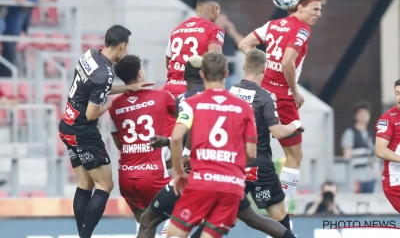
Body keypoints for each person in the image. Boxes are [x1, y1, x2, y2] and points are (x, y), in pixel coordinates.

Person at [138, 54, 295, 238]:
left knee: (170, 232)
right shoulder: (243, 106)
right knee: (253, 220)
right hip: (231, 183)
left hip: (201, 181)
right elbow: (251, 152)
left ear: (203, 75)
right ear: (227, 74)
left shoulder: (191, 104)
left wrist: (179, 172)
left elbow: (175, 138)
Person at [238, 0, 327, 210]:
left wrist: (263, 67)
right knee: (294, 157)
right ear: (300, 6)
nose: (319, 14)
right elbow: (288, 62)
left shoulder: (273, 24)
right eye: (315, 9)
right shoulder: (302, 29)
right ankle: (284, 209)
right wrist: (295, 91)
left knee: (253, 149)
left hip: (260, 94)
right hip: (283, 98)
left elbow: (245, 45)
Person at [58, 25, 151, 238]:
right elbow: (92, 113)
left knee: (86, 183)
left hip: (67, 125)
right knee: (105, 184)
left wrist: (128, 88)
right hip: (84, 131)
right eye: (126, 47)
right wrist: (110, 102)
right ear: (122, 45)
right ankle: (85, 236)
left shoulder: (90, 54)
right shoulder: (106, 73)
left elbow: (93, 88)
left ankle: (83, 235)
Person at [229, 48, 305, 229]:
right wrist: (295, 125)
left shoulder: (229, 93)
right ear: (265, 69)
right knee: (280, 219)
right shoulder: (265, 97)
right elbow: (278, 132)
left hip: (232, 166)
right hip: (258, 167)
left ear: (243, 66)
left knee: (223, 221)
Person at [108, 54, 176, 236]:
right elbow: (184, 120)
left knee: (144, 224)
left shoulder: (114, 105)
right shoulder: (162, 96)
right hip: (153, 175)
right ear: (140, 73)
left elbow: (119, 143)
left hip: (127, 178)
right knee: (183, 208)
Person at [163, 0, 225, 136]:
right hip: (194, 92)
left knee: (172, 143)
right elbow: (215, 59)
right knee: (197, 142)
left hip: (170, 93)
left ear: (197, 9)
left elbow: (169, 62)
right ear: (215, 9)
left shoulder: (176, 30)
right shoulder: (214, 29)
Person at [375, 79, 400, 213]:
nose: (399, 98)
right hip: (395, 182)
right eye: (397, 93)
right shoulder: (388, 119)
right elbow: (380, 150)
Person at [341, 100, 376, 193]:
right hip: (356, 177)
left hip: (369, 176)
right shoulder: (350, 133)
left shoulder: (370, 134)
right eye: (361, 113)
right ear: (356, 115)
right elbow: (347, 155)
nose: (364, 116)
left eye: (366, 113)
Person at [215, 13, 244, 89]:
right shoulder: (211, 34)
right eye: (219, 20)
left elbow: (244, 45)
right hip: (214, 74)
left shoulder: (229, 36)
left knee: (238, 87)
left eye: (224, 20)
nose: (222, 22)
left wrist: (233, 31)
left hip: (229, 74)